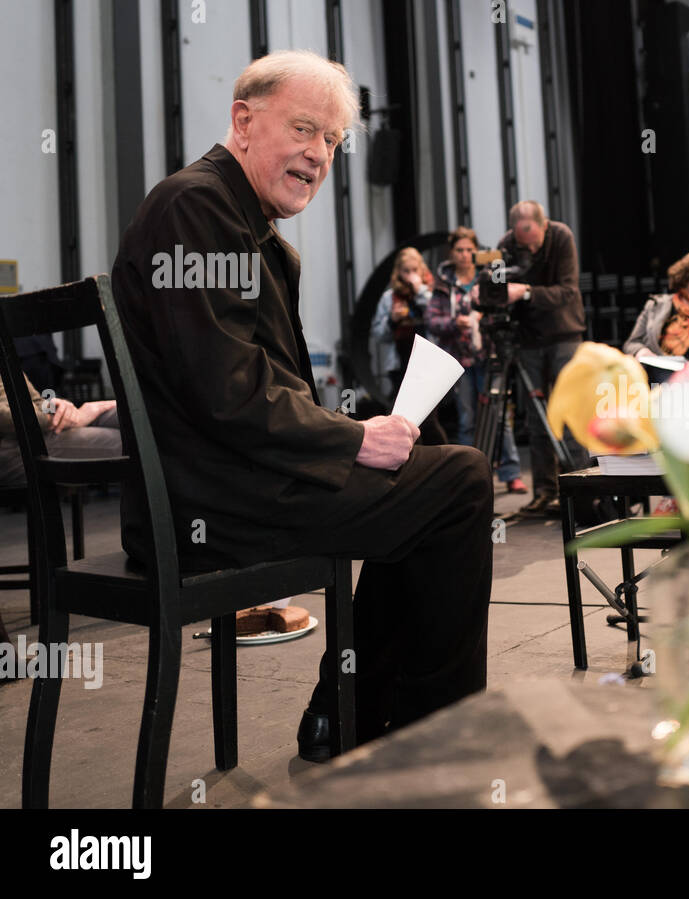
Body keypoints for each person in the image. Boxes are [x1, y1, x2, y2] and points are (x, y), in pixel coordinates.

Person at [110, 50, 493, 760]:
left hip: (231, 482)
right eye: (307, 129)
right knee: (462, 482)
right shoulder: (196, 206)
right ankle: (435, 733)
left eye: (334, 142)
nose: (320, 155)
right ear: (244, 121)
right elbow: (229, 391)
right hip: (209, 503)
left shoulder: (246, 229)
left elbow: (250, 386)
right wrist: (351, 440)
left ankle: (345, 715)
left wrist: (356, 433)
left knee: (425, 488)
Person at [490, 200, 589, 518]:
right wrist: (493, 291)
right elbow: (497, 287)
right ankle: (545, 493)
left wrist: (527, 291)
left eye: (531, 240)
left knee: (569, 412)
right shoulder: (506, 245)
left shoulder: (561, 237)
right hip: (528, 340)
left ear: (543, 225)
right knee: (537, 419)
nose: (527, 248)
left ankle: (583, 491)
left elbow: (568, 291)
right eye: (522, 242)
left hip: (564, 336)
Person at [428, 227, 525, 493]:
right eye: (459, 249)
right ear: (452, 252)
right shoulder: (443, 282)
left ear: (477, 251)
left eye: (470, 249)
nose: (465, 254)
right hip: (459, 360)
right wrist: (453, 323)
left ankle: (511, 472)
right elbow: (432, 320)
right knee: (467, 418)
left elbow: (505, 303)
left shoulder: (487, 276)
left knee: (499, 416)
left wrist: (485, 318)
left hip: (489, 354)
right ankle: (470, 476)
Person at [0, 372, 119, 487]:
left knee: (124, 414)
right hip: (12, 444)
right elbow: (5, 416)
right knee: (122, 440)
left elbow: (35, 400)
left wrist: (56, 407)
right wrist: (52, 418)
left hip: (35, 424)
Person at [371, 247, 431, 397]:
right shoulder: (389, 298)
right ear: (398, 272)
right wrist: (392, 320)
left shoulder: (430, 292)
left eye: (415, 270)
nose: (411, 275)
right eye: (406, 271)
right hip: (400, 362)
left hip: (426, 361)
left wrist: (419, 291)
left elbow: (435, 317)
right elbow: (378, 334)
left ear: (422, 270)